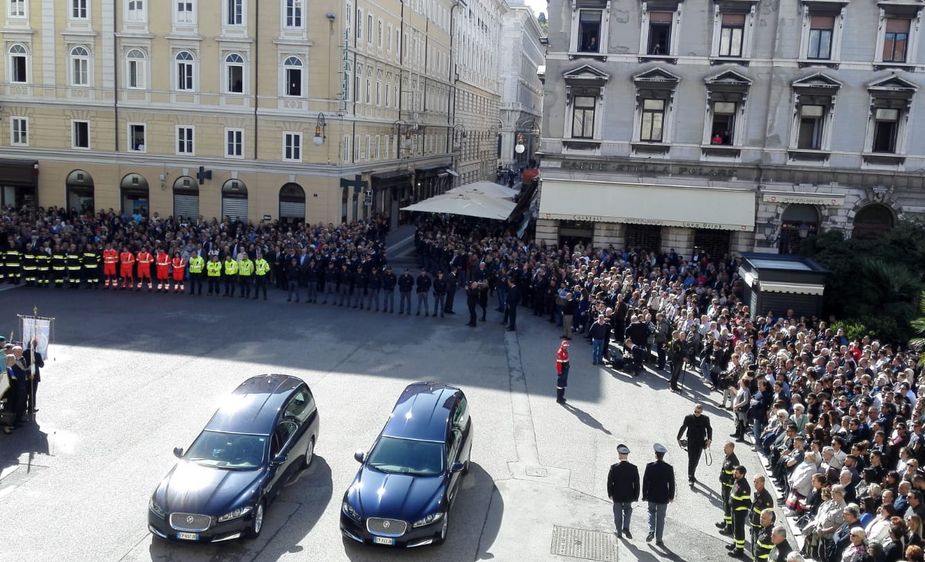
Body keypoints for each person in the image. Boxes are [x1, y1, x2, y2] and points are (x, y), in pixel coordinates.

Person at [642, 443, 675, 546]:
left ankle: (651, 530)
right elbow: (672, 483)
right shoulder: (669, 468)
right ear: (663, 455)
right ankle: (659, 539)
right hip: (663, 497)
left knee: (651, 512)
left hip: (651, 495)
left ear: (656, 454)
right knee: (661, 518)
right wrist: (671, 496)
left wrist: (644, 495)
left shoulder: (650, 466)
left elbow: (645, 482)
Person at [607, 443, 640, 539]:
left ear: (620, 455)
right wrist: (636, 496)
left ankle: (619, 532)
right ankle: (626, 527)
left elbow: (609, 482)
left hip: (617, 495)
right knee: (628, 511)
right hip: (629, 496)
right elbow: (637, 484)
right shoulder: (634, 468)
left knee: (617, 514)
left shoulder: (614, 467)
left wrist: (610, 494)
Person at [677, 403, 712, 484]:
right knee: (691, 459)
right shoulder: (688, 417)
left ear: (702, 411)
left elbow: (709, 429)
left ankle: (692, 474)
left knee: (696, 460)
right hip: (691, 441)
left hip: (700, 442)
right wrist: (678, 438)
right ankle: (691, 477)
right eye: (695, 411)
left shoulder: (705, 419)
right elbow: (683, 427)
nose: (696, 413)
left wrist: (709, 439)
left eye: (698, 412)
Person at [727, 465, 752, 557]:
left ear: (742, 474)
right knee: (735, 528)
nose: (734, 473)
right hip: (734, 510)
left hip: (739, 512)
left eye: (736, 472)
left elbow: (747, 502)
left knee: (739, 530)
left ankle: (739, 550)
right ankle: (735, 543)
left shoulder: (744, 486)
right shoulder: (737, 481)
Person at [717, 441, 741, 534]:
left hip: (729, 488)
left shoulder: (734, 461)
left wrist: (730, 483)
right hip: (724, 486)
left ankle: (729, 528)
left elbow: (736, 476)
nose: (724, 449)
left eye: (726, 448)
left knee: (728, 507)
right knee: (725, 505)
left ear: (731, 448)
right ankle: (725, 522)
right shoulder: (727, 457)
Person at [22, 338, 43, 417]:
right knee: (32, 393)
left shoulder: (24, 352)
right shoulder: (37, 354)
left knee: (25, 392)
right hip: (34, 375)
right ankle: (31, 408)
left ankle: (24, 408)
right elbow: (42, 365)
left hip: (25, 375)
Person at [751, 476, 774, 548]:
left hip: (760, 528)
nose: (755, 483)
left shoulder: (766, 497)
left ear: (762, 483)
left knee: (757, 546)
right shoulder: (758, 493)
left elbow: (770, 515)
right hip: (755, 525)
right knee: (753, 545)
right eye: (754, 481)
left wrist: (764, 529)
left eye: (757, 482)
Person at [556, 339, 570, 404]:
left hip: (565, 370)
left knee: (563, 384)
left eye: (567, 346)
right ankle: (559, 399)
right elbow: (558, 364)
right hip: (562, 370)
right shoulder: (560, 352)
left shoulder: (565, 351)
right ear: (562, 346)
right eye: (565, 346)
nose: (566, 347)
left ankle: (562, 397)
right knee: (560, 385)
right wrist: (559, 372)